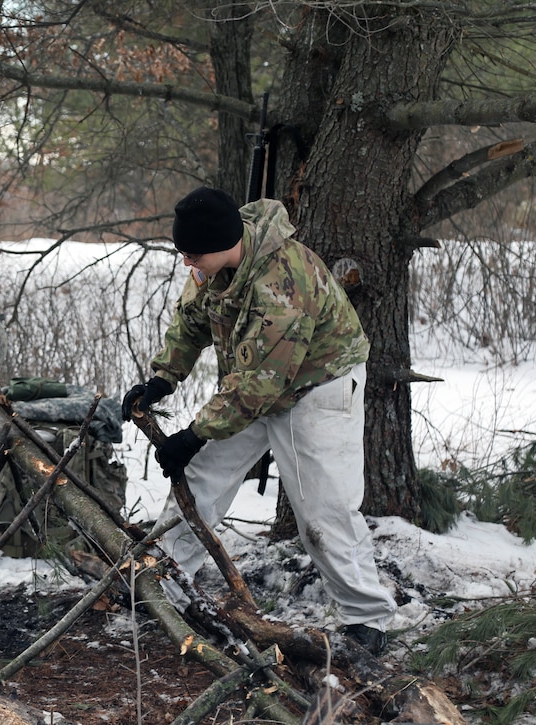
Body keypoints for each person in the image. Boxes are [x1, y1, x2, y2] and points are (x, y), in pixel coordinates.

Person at [122, 186, 397, 655]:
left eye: (192, 255)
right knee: (201, 478)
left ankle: (367, 619)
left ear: (220, 244)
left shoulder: (282, 284)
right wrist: (163, 379)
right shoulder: (213, 265)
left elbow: (261, 385)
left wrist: (191, 434)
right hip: (254, 383)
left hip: (318, 386)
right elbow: (193, 320)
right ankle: (159, 586)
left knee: (322, 509)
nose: (187, 264)